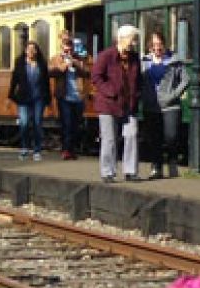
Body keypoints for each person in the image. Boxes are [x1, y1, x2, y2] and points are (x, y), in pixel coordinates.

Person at [90, 24, 143, 183]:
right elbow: (96, 77)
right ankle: (108, 172)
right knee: (109, 138)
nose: (135, 43)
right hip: (108, 104)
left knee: (132, 134)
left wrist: (137, 94)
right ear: (122, 39)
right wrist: (111, 91)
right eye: (133, 40)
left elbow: (138, 79)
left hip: (129, 104)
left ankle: (131, 171)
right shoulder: (106, 56)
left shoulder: (134, 58)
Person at [141, 33, 188, 178]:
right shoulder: (144, 62)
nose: (157, 48)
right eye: (153, 45)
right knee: (154, 138)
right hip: (151, 105)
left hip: (170, 105)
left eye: (159, 44)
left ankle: (172, 161)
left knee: (171, 136)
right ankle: (156, 167)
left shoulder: (174, 61)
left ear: (164, 44)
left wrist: (174, 95)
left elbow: (185, 80)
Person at [8, 41, 50, 161]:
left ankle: (37, 150)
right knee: (24, 123)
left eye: (33, 49)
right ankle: (25, 148)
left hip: (38, 98)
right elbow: (14, 79)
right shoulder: (20, 63)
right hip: (23, 98)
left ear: (37, 51)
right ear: (25, 51)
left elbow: (46, 82)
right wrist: (10, 95)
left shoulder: (41, 64)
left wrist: (48, 98)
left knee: (37, 124)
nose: (31, 51)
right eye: (29, 49)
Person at [49, 31, 87, 160]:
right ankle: (66, 150)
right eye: (66, 45)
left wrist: (75, 63)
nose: (68, 48)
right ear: (62, 46)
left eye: (70, 45)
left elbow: (86, 73)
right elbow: (51, 72)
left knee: (76, 125)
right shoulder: (56, 58)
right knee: (67, 123)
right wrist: (65, 64)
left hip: (78, 96)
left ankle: (71, 150)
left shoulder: (78, 59)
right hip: (64, 96)